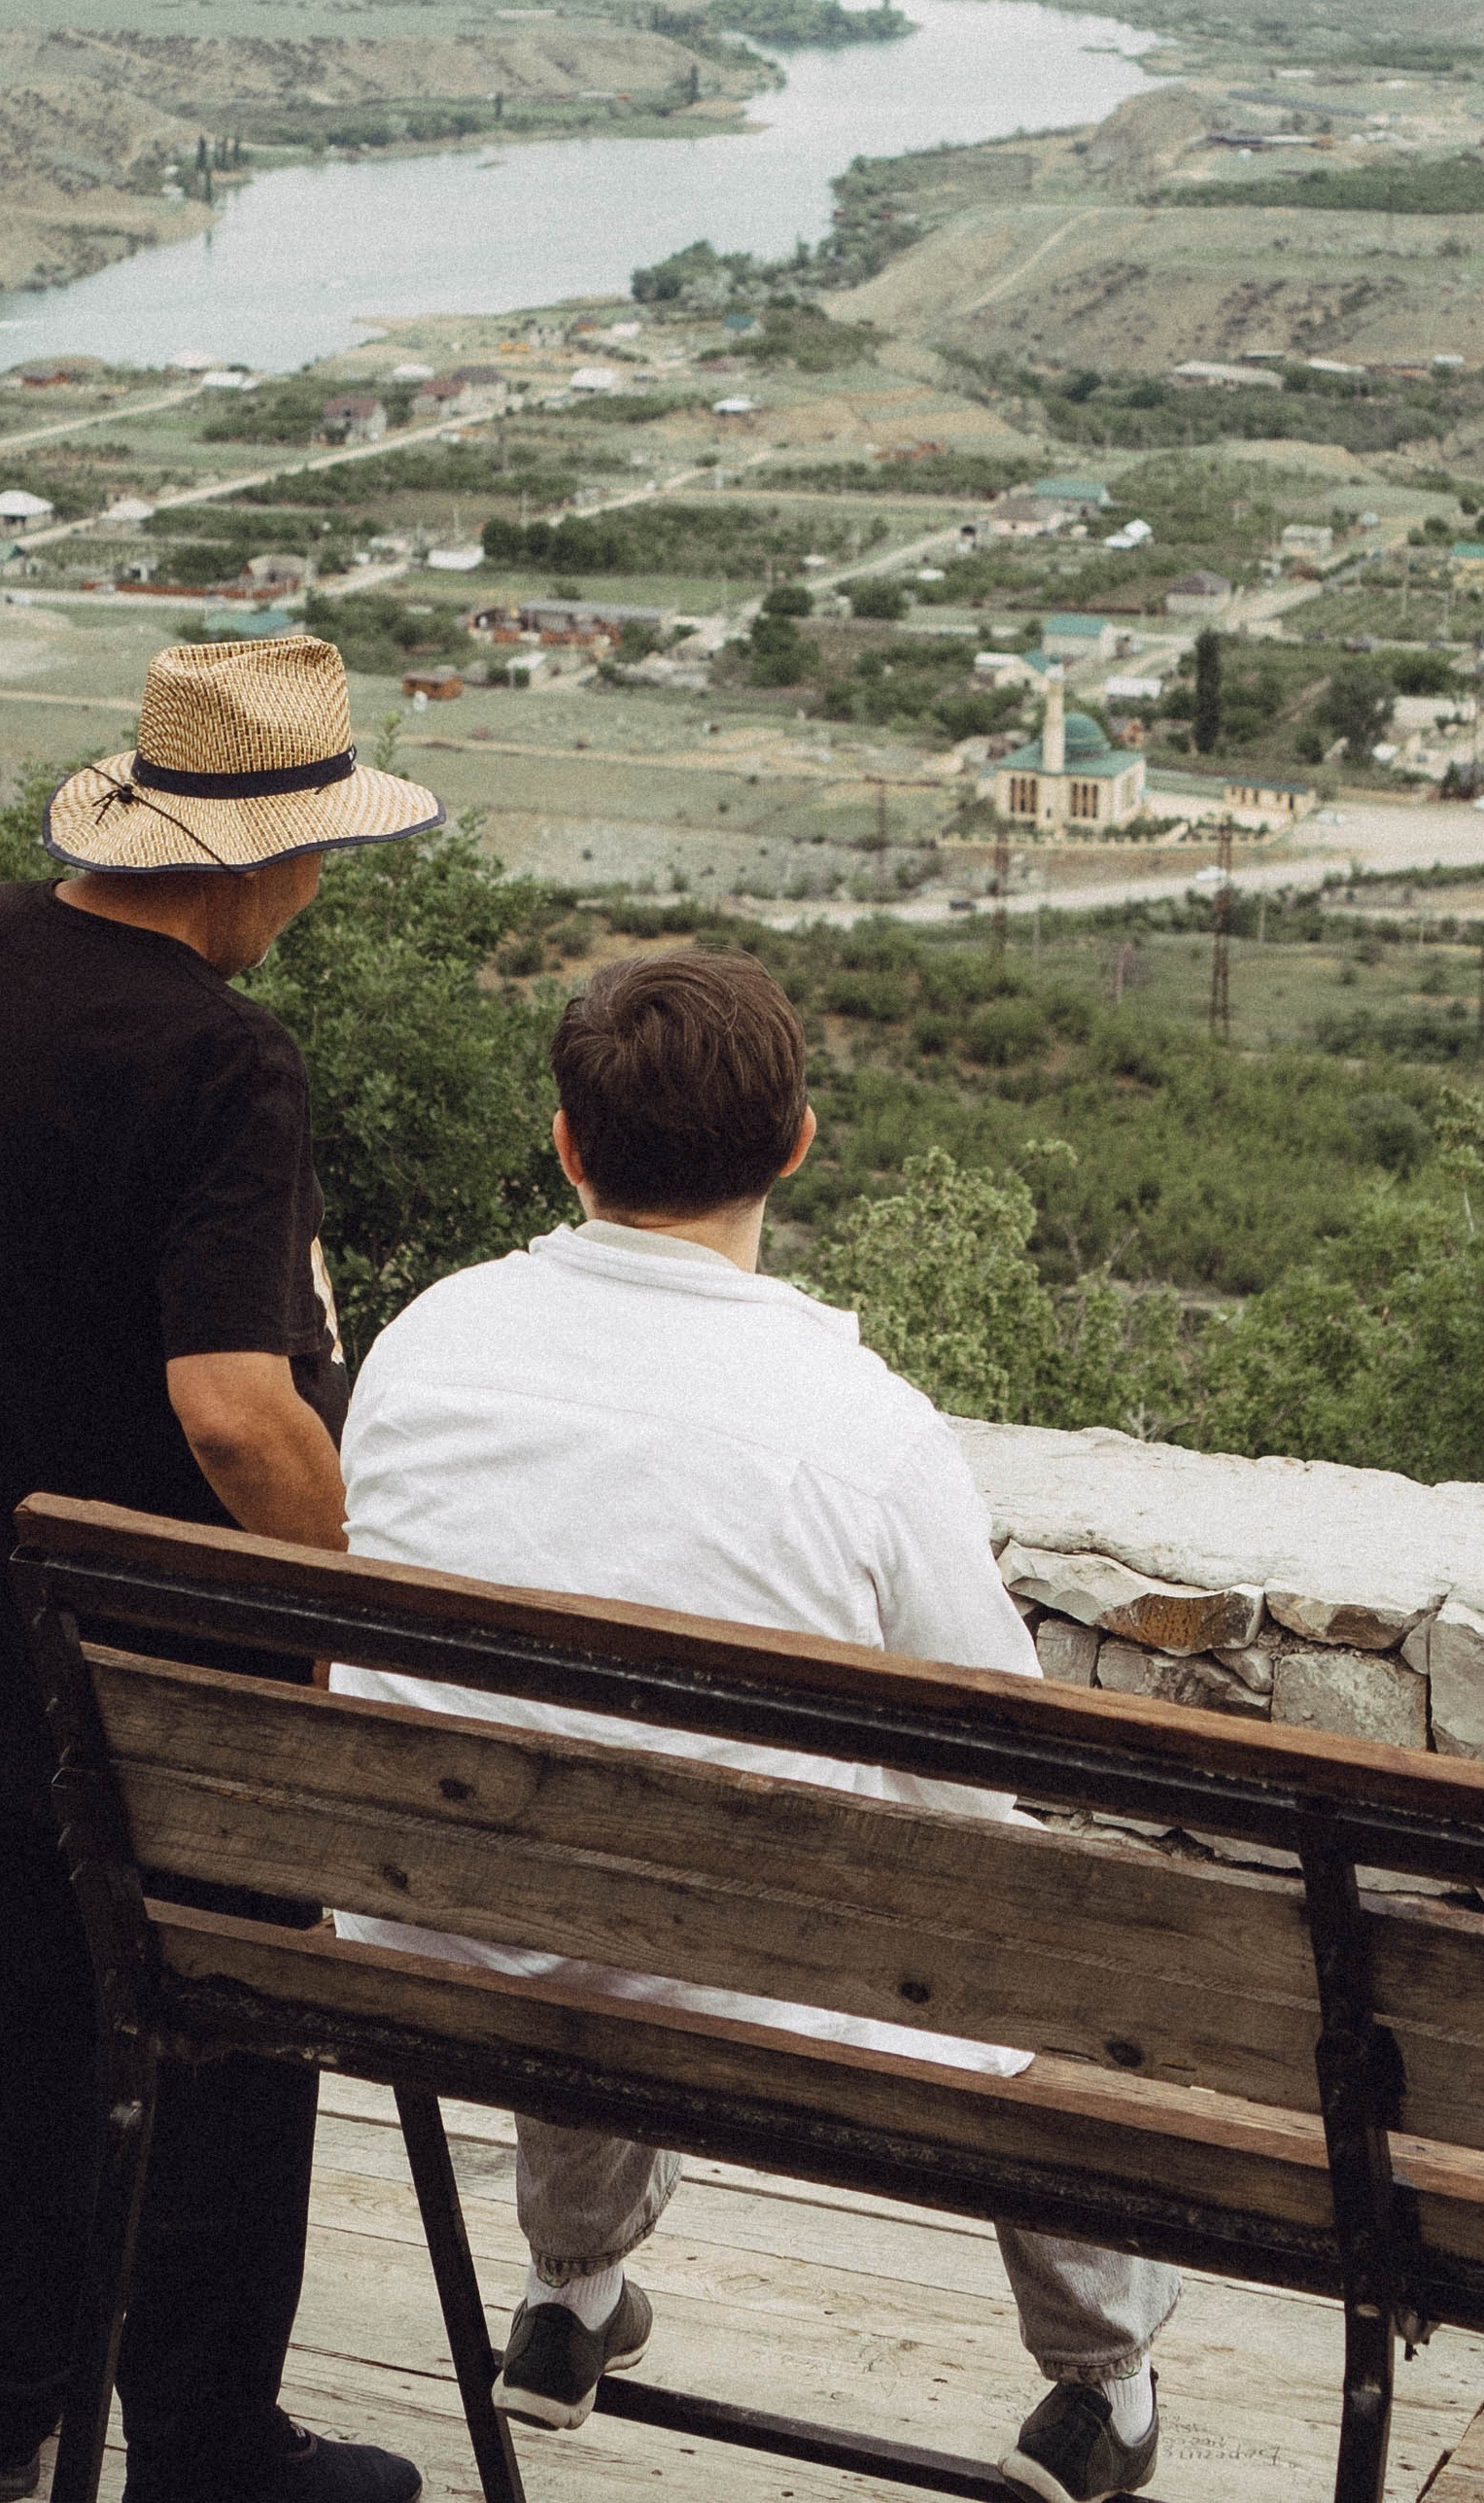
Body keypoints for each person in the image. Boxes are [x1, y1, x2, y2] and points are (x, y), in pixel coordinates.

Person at [331, 948, 1180, 2503]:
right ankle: (1104, 2381)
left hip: (433, 1932)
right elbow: (997, 1754)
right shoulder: (861, 1426)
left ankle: (572, 2293)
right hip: (731, 1968)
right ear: (796, 1143)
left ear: (569, 1144)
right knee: (1037, 1930)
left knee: (576, 1848)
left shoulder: (426, 1345)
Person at [0, 635, 442, 2503]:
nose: (318, 889)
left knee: (10, 1994)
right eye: (317, 851)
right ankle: (202, 2436)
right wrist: (333, 1597)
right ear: (248, 859)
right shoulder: (226, 1059)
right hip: (171, 1660)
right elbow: (234, 1407)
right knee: (234, 2014)